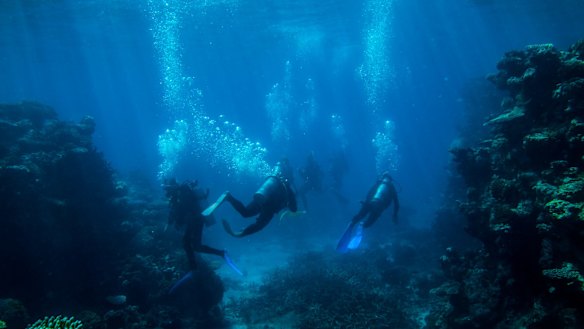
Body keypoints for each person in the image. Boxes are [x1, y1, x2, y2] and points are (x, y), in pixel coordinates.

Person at [210, 158, 298, 238]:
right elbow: (294, 209)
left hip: (262, 198)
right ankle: (240, 234)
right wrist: (289, 204)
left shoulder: (275, 182)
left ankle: (229, 197)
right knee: (259, 226)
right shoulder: (289, 190)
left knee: (245, 213)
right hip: (270, 208)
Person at [164, 178, 225, 270]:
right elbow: (174, 210)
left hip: (196, 219)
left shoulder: (183, 191)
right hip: (194, 220)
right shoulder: (176, 195)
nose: (166, 192)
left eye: (167, 189)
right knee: (196, 246)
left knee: (187, 243)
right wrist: (169, 222)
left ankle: (193, 267)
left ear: (172, 187)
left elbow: (180, 209)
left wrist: (172, 221)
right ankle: (221, 253)